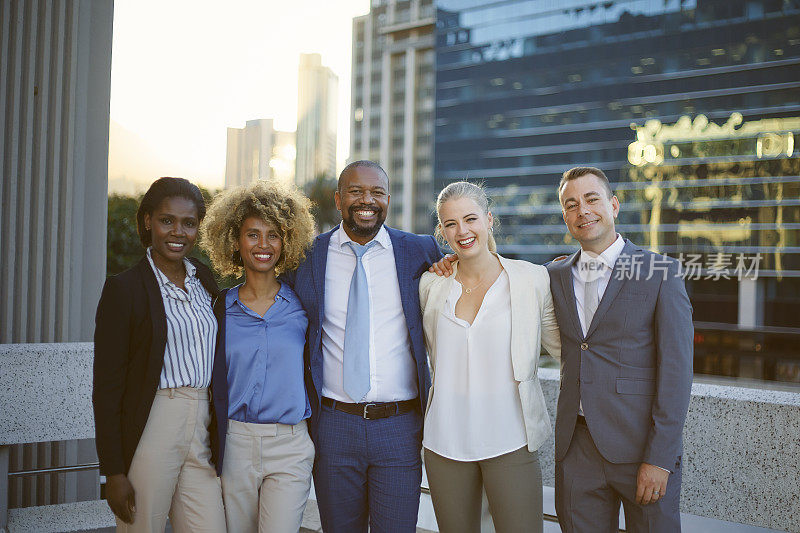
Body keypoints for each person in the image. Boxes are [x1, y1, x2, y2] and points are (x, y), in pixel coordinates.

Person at [282, 160, 442, 533]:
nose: (366, 200)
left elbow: (468, 277)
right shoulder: (306, 256)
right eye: (356, 191)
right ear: (339, 199)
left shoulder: (419, 251)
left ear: (388, 199)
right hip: (333, 424)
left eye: (377, 192)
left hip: (400, 427)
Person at [548, 166, 693, 532]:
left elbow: (676, 374)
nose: (583, 210)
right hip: (576, 449)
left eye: (592, 199)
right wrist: (448, 264)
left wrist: (659, 460)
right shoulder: (554, 275)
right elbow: (498, 280)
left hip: (640, 448)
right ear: (565, 216)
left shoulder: (661, 272)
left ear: (613, 205)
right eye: (571, 204)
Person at [418, 182, 560, 533]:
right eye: (451, 224)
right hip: (444, 442)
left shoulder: (531, 279)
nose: (462, 231)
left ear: (489, 220)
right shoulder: (430, 286)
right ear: (442, 231)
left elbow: (568, 353)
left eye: (470, 219)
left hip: (511, 438)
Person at [93, 177, 226, 533]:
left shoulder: (206, 281)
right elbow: (106, 388)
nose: (177, 232)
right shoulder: (124, 290)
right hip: (153, 423)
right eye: (167, 220)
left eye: (188, 222)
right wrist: (114, 472)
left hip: (202, 426)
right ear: (148, 220)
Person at [199, 181, 316, 533]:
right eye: (253, 234)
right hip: (235, 443)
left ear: (286, 241)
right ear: (235, 241)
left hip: (291, 445)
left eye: (273, 235)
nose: (263, 245)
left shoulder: (303, 306)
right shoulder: (218, 309)